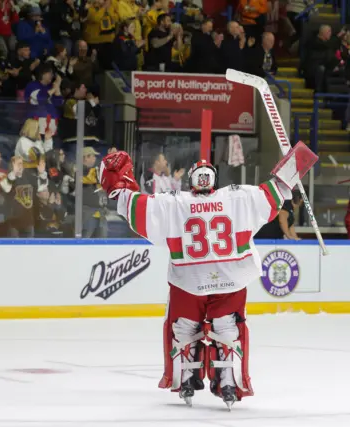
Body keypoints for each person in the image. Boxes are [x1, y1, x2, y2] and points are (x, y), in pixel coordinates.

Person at [96, 142, 317, 408]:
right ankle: (227, 380)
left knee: (184, 329)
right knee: (228, 329)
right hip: (231, 279)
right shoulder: (238, 196)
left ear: (192, 180)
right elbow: (275, 192)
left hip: (188, 280)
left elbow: (132, 206)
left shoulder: (174, 202)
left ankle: (187, 376)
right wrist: (294, 166)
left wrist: (117, 184)